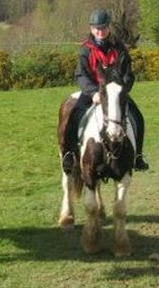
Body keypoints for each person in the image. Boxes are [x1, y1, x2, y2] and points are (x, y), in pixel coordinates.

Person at [60, 9, 148, 174]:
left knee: (138, 116)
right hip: (93, 92)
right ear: (92, 29)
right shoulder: (85, 50)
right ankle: (69, 155)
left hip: (116, 93)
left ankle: (138, 156)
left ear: (109, 28)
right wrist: (94, 93)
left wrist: (122, 91)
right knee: (72, 117)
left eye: (104, 28)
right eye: (97, 28)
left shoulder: (119, 48)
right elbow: (81, 75)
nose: (100, 32)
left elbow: (128, 74)